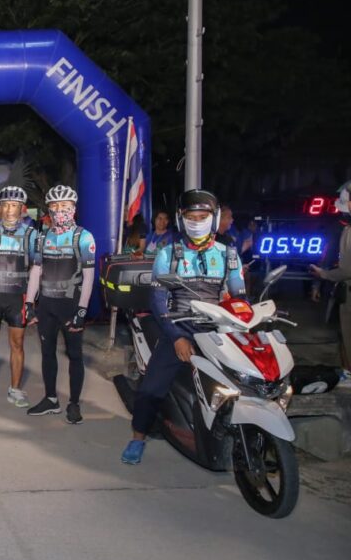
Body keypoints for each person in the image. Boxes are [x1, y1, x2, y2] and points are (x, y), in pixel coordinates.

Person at [122, 189, 247, 464]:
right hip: (177, 327)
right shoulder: (169, 254)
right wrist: (177, 337)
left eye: (203, 216)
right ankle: (137, 437)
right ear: (182, 220)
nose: (197, 221)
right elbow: (157, 300)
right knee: (150, 389)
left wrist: (243, 317)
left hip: (216, 330)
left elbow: (239, 298)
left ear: (213, 219)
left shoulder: (229, 255)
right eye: (192, 216)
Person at [24, 184, 96, 423]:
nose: (59, 211)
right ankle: (51, 399)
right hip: (46, 305)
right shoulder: (42, 236)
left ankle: (74, 404)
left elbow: (88, 276)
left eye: (64, 206)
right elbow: (36, 270)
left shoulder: (83, 237)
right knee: (47, 353)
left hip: (71, 305)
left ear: (73, 208)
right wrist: (28, 302)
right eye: (54, 206)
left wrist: (82, 309)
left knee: (75, 354)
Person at [0, 186, 38, 408]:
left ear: (22, 209)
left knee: (17, 343)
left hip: (17, 296)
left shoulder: (31, 234)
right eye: (5, 205)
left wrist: (30, 294)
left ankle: (15, 389)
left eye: (14, 205)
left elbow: (36, 266)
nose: (10, 209)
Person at [310, 180, 351, 378]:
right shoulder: (340, 229)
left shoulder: (346, 232)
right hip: (341, 290)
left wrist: (321, 276)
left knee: (346, 335)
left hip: (347, 292)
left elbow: (344, 270)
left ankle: (348, 373)